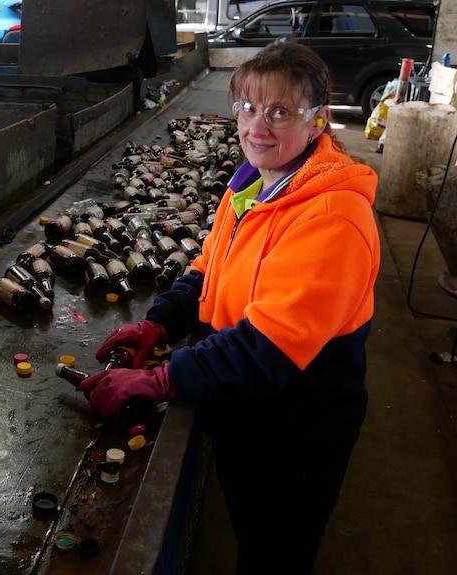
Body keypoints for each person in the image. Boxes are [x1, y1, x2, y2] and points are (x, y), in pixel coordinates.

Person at [79, 41, 380, 574]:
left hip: (296, 434)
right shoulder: (252, 185)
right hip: (251, 414)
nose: (257, 127)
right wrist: (159, 322)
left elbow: (267, 349)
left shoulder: (332, 217)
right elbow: (209, 271)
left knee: (273, 552)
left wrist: (163, 380)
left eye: (280, 112)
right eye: (247, 108)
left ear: (318, 121)